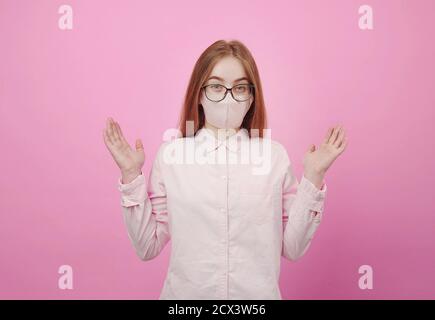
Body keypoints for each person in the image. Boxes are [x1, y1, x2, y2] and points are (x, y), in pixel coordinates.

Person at [102, 39, 347, 299]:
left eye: (240, 88)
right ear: (199, 93)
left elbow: (293, 248)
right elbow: (146, 246)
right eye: (217, 86)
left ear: (251, 97)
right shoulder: (172, 157)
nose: (228, 98)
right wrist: (130, 176)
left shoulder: (273, 157)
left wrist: (314, 176)